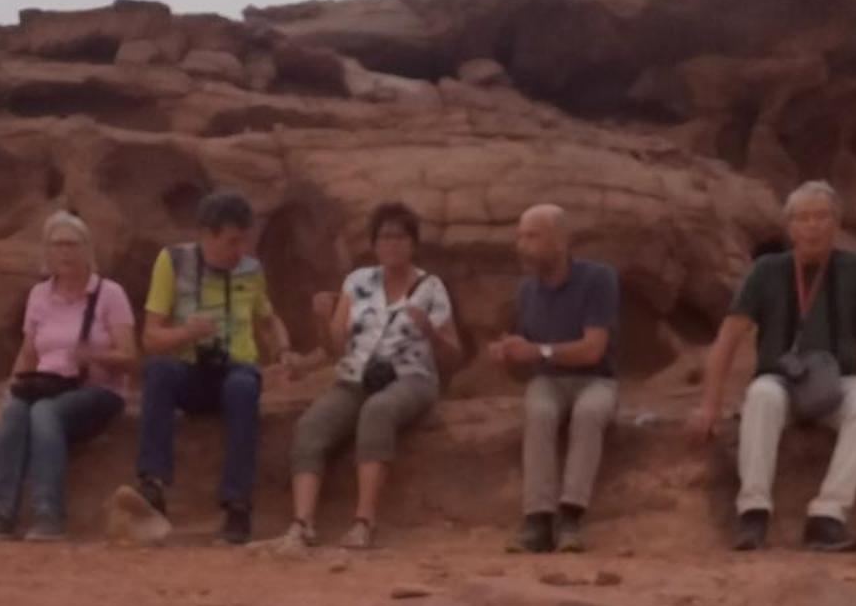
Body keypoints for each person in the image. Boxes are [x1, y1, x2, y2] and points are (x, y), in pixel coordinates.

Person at [689, 180, 856, 552]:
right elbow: (727, 340)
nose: (813, 226)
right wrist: (710, 404)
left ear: (836, 223)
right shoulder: (767, 270)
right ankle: (753, 514)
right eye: (803, 218)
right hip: (782, 379)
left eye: (822, 216)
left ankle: (828, 516)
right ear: (790, 227)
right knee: (761, 396)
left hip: (839, 380)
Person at [278, 202, 460, 552]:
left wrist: (431, 333)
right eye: (384, 237)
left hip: (411, 378)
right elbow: (334, 347)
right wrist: (322, 318)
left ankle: (363, 523)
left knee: (378, 412)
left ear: (413, 243)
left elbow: (454, 354)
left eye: (400, 237)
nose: (392, 244)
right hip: (355, 376)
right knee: (311, 426)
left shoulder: (431, 288)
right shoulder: (358, 282)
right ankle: (302, 524)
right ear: (374, 244)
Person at [137, 189, 286, 544]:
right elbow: (150, 338)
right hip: (191, 367)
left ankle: (238, 505)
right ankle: (152, 486)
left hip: (236, 370)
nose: (240, 252)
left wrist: (283, 352)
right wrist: (187, 332)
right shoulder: (171, 262)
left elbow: (267, 320)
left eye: (244, 242)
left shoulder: (251, 270)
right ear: (207, 234)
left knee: (243, 386)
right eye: (232, 242)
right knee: (158, 372)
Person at [0, 212, 136, 540]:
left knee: (44, 413)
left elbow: (129, 357)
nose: (64, 252)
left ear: (87, 250)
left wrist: (93, 356)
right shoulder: (39, 295)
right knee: (15, 413)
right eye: (57, 245)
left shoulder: (109, 294)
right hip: (47, 383)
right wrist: (10, 392)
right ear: (46, 252)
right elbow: (28, 353)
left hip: (98, 389)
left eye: (71, 244)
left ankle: (49, 515)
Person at [488, 205, 620, 554]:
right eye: (520, 236)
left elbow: (593, 349)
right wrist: (509, 355)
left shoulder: (599, 279)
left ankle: (571, 516)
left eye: (532, 236)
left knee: (590, 413)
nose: (522, 245)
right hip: (548, 381)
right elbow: (527, 362)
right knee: (539, 413)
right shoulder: (527, 292)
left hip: (596, 379)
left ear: (560, 240)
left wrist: (537, 352)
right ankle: (538, 520)